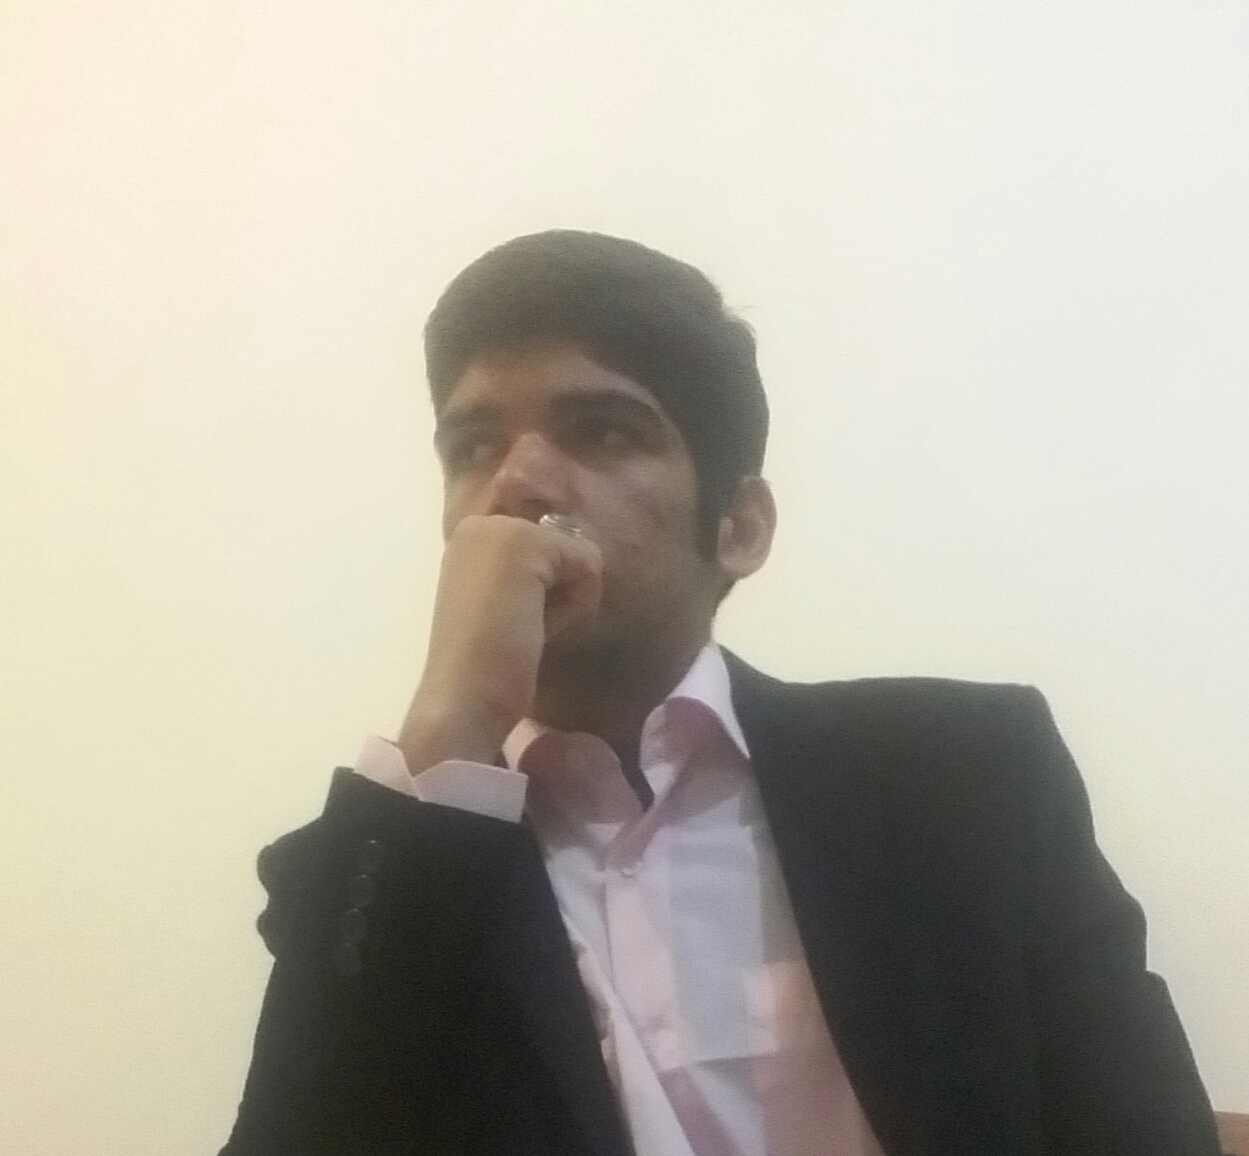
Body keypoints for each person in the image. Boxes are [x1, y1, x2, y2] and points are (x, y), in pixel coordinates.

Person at [221, 231, 1220, 1156]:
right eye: (471, 447)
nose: (517, 483)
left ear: (738, 528)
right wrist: (451, 723)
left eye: (603, 431)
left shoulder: (966, 779)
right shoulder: (382, 874)